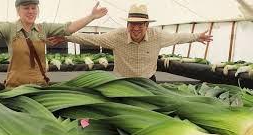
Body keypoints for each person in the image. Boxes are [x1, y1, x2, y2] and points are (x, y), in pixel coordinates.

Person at [0, 0, 108, 87]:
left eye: (33, 8)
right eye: (26, 8)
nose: (30, 11)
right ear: (18, 10)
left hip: (39, 87)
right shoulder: (10, 29)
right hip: (14, 88)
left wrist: (91, 17)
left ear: (37, 10)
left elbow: (68, 28)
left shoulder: (44, 29)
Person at [61, 4, 213, 81]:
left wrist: (196, 36)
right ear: (127, 25)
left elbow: (178, 38)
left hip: (148, 81)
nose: (136, 28)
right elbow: (91, 39)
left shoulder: (157, 36)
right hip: (122, 82)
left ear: (147, 26)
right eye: (132, 24)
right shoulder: (117, 36)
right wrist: (65, 36)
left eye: (140, 24)